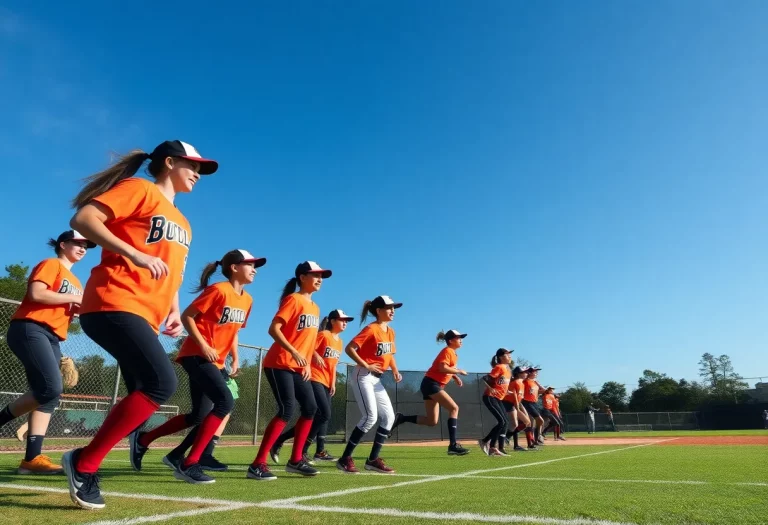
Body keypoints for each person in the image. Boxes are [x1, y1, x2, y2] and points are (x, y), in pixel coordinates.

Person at [61, 140, 219, 510]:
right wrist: (133, 252)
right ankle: (83, 464)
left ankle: (89, 459)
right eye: (191, 165)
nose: (197, 173)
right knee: (162, 383)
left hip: (146, 315)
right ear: (168, 162)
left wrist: (175, 309)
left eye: (201, 169)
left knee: (150, 387)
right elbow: (83, 219)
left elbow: (173, 273)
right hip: (113, 299)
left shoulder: (184, 223)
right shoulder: (141, 189)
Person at [129, 249, 263, 484]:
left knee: (198, 415)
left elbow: (233, 332)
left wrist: (236, 358)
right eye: (249, 264)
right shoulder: (218, 290)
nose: (254, 269)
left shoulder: (248, 300)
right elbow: (188, 316)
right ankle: (190, 463)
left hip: (215, 361)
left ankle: (146, 440)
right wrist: (204, 345)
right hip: (196, 355)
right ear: (234, 268)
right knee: (225, 402)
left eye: (255, 266)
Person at [0, 230, 94, 474]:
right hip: (30, 327)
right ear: (63, 244)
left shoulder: (76, 281)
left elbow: (67, 310)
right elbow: (36, 294)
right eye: (78, 243)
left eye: (87, 246)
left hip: (51, 336)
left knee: (50, 395)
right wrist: (74, 297)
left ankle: (32, 460)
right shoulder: (51, 264)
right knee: (51, 388)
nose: (83, 248)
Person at [247, 261, 331, 481]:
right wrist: (294, 353)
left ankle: (295, 460)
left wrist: (307, 362)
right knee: (286, 409)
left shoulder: (315, 307)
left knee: (311, 408)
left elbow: (309, 342)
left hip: (297, 366)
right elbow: (273, 329)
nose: (320, 279)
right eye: (315, 275)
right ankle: (257, 464)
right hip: (279, 363)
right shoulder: (293, 299)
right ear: (302, 277)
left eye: (322, 276)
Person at [270, 309, 354, 464]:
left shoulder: (340, 342)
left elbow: (334, 365)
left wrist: (333, 382)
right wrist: (315, 356)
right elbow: (309, 349)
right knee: (324, 414)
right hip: (315, 377)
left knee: (321, 417)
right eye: (342, 320)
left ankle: (284, 441)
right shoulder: (323, 335)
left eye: (346, 321)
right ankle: (302, 451)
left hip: (327, 381)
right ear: (332, 321)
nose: (345, 323)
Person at [336, 295, 403, 474]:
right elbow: (350, 348)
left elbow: (390, 355)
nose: (393, 310)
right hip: (363, 376)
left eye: (393, 307)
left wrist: (395, 370)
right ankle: (345, 458)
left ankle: (372, 460)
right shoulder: (371, 329)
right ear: (378, 311)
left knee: (388, 418)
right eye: (389, 307)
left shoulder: (390, 331)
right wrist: (365, 364)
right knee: (370, 417)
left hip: (376, 379)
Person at [389, 329, 470, 456]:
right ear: (450, 340)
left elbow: (447, 368)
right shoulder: (448, 351)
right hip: (432, 384)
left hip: (431, 385)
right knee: (454, 408)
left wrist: (455, 377)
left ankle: (401, 418)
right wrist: (459, 372)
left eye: (461, 337)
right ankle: (453, 445)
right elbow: (442, 367)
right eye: (458, 337)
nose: (461, 340)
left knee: (432, 421)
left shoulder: (453, 354)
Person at [477, 348, 513, 456]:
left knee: (505, 422)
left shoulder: (507, 370)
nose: (510, 356)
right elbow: (485, 378)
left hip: (498, 398)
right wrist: (491, 388)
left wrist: (507, 391)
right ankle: (486, 442)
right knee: (502, 421)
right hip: (490, 397)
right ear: (501, 357)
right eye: (507, 355)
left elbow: (501, 384)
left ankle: (491, 446)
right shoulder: (499, 367)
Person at [503, 365, 537, 450]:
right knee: (524, 422)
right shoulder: (516, 382)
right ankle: (506, 437)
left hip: (516, 404)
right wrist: (517, 408)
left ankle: (508, 438)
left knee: (523, 423)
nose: (526, 373)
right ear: (518, 374)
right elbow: (513, 396)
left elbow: (519, 397)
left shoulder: (521, 383)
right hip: (509, 404)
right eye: (524, 372)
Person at [522, 367, 546, 445]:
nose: (537, 373)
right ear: (529, 373)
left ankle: (534, 441)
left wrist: (537, 384)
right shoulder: (525, 381)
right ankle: (538, 436)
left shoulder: (535, 382)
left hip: (534, 403)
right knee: (539, 420)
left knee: (533, 423)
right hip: (527, 402)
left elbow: (544, 390)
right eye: (535, 372)